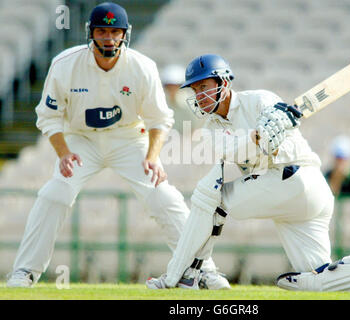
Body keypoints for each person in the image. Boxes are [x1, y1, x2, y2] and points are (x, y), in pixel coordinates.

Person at [145, 54, 350, 292]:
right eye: (194, 90)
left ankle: (182, 274)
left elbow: (274, 123)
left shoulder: (260, 100)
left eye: (204, 87)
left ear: (223, 83)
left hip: (299, 180)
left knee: (210, 194)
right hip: (291, 198)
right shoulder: (211, 130)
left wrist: (273, 126)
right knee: (316, 279)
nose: (199, 96)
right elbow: (238, 152)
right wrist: (257, 137)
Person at [6, 2, 229, 290]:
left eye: (115, 31)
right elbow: (48, 116)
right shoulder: (64, 64)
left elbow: (160, 119)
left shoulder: (142, 67)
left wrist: (152, 157)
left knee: (163, 197)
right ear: (91, 33)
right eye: (102, 31)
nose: (109, 38)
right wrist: (63, 153)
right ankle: (25, 272)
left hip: (128, 138)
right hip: (80, 139)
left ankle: (203, 270)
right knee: (55, 194)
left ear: (125, 34)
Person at [160, 64, 204, 134]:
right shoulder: (159, 103)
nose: (172, 89)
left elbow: (196, 129)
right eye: (169, 86)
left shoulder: (192, 104)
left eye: (176, 86)